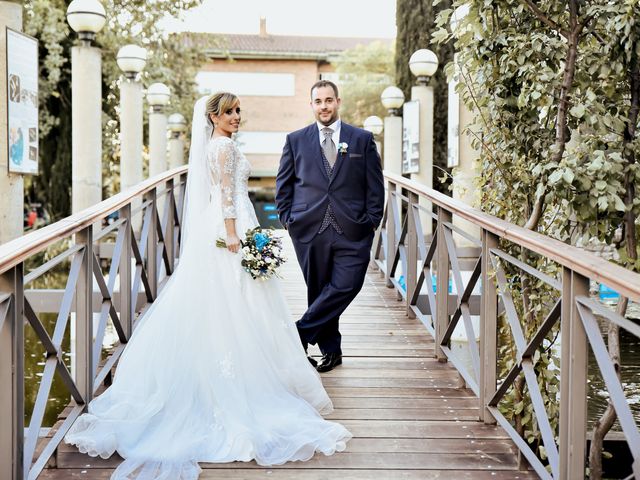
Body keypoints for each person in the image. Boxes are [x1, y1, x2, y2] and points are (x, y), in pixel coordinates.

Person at [65, 92, 351, 480]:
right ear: (213, 117)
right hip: (228, 229)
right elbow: (227, 196)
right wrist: (235, 236)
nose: (236, 117)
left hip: (227, 225)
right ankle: (235, 384)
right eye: (229, 112)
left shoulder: (223, 145)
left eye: (238, 111)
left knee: (233, 302)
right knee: (234, 300)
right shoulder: (223, 149)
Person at [275, 80, 385, 373]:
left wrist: (372, 221)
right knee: (319, 290)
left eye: (328, 100)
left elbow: (375, 186)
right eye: (318, 101)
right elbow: (283, 186)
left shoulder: (361, 139)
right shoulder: (295, 140)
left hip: (354, 229)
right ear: (311, 105)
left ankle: (298, 333)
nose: (323, 106)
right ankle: (331, 351)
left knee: (347, 284)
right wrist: (289, 220)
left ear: (338, 102)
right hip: (309, 229)